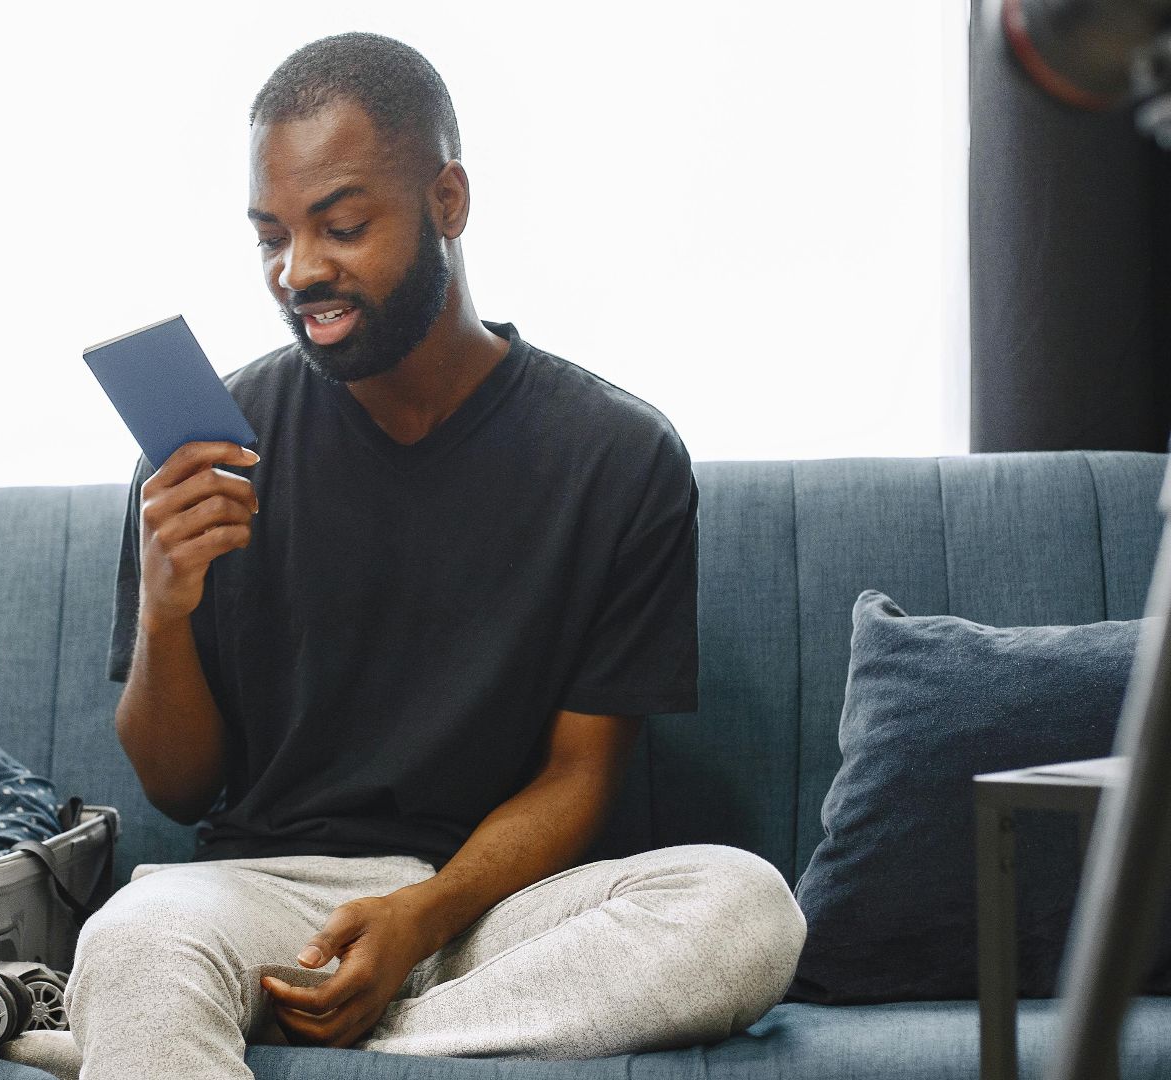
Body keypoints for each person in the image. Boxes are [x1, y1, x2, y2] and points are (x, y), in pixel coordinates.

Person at [40, 32, 806, 1080]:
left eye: (342, 227)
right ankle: (253, 1011)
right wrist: (166, 612)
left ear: (448, 201)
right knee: (131, 939)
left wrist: (419, 916)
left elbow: (582, 776)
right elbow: (179, 788)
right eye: (272, 236)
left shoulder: (618, 457)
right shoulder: (211, 445)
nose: (300, 272)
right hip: (269, 896)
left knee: (743, 908)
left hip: (494, 910)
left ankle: (293, 1033)